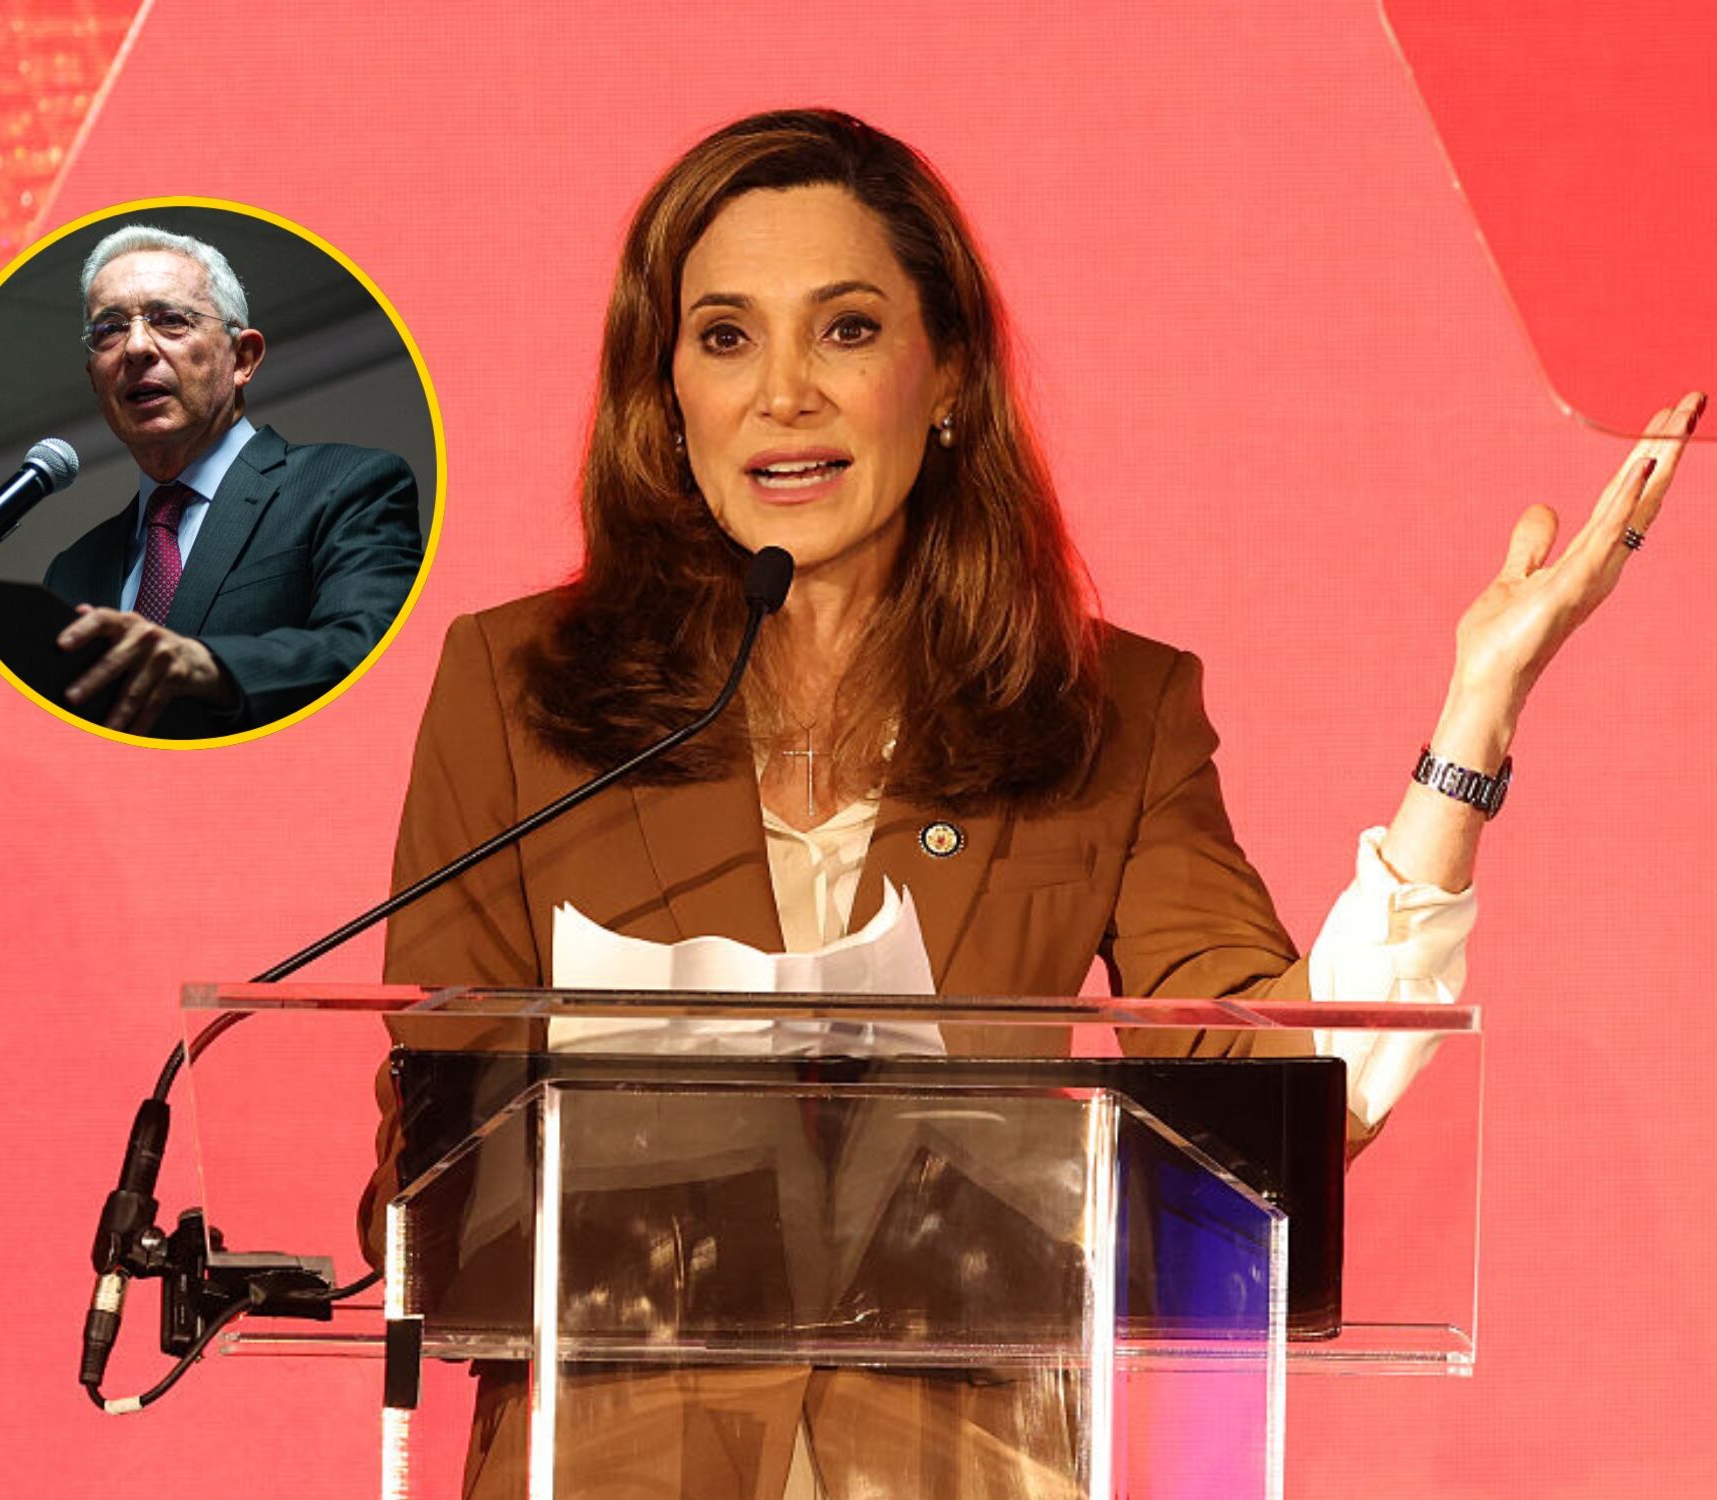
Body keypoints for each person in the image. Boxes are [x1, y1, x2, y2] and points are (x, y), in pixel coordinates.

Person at [372, 111, 1700, 1497]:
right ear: (668, 398)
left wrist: (1469, 730)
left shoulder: (1106, 713)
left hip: (958, 1466)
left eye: (845, 330)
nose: (782, 396)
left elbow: (1274, 1110)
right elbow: (418, 1185)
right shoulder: (515, 691)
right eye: (724, 337)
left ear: (946, 378)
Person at [44, 225, 425, 737]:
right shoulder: (72, 572)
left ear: (242, 359)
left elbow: (370, 651)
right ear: (95, 378)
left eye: (170, 320)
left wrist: (210, 666)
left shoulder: (348, 487)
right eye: (109, 329)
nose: (135, 347)